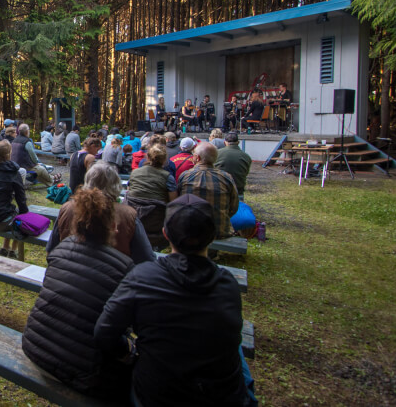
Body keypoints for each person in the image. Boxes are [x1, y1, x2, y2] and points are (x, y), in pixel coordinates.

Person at [94, 194, 256, 407]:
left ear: (165, 233)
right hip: (218, 397)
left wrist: (129, 352)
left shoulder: (142, 276)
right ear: (212, 236)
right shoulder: (228, 285)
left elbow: (104, 332)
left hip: (155, 394)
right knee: (235, 351)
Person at [22, 187, 134, 402]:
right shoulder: (124, 267)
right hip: (84, 372)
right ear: (112, 226)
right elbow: (113, 332)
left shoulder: (62, 248)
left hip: (35, 347)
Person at [47, 162, 155, 264]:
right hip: (115, 277)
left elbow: (52, 249)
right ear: (116, 184)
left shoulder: (67, 208)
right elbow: (146, 257)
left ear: (87, 182)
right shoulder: (128, 215)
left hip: (68, 271)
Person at [177, 142, 239, 240]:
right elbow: (234, 207)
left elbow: (178, 202)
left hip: (189, 230)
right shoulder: (226, 177)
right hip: (219, 231)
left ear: (197, 158)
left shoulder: (185, 176)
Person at [126, 144, 177, 249]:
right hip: (156, 224)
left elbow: (129, 193)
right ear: (164, 159)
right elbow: (173, 204)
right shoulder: (168, 177)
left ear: (147, 157)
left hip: (133, 220)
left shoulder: (135, 173)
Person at [216, 132, 253, 200]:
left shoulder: (216, 154)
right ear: (238, 142)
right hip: (238, 191)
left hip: (220, 190)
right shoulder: (246, 157)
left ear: (225, 143)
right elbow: (245, 173)